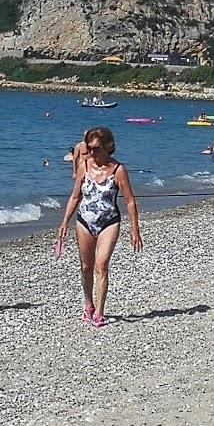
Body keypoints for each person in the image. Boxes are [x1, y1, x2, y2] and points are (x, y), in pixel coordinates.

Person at [56, 126, 142, 327]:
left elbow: (129, 201)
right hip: (84, 221)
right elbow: (75, 196)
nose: (91, 152)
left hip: (109, 221)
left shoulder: (118, 170)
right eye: (89, 148)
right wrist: (64, 222)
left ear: (107, 147)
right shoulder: (83, 166)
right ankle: (89, 305)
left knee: (101, 265)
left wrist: (134, 229)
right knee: (86, 266)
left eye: (95, 148)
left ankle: (100, 313)